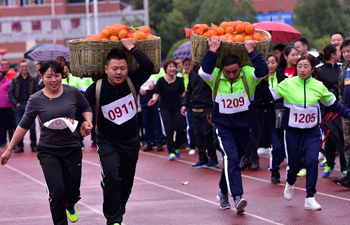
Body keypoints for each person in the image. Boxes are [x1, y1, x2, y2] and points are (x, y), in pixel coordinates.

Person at [1, 60, 93, 225]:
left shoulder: (72, 92)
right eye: (49, 76)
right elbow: (23, 125)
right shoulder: (36, 99)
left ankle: (70, 204)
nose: (54, 80)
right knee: (56, 192)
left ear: (62, 75)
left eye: (57, 75)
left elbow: (86, 108)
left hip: (72, 148)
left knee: (72, 193)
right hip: (48, 150)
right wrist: (9, 149)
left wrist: (87, 122)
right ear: (41, 77)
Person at [262, 55, 350, 210]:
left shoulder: (318, 86)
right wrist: (262, 83)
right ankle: (290, 182)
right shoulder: (288, 83)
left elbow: (334, 105)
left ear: (312, 68)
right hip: (292, 132)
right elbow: (268, 97)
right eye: (300, 66)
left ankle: (310, 197)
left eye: (306, 66)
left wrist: (348, 114)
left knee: (311, 161)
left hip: (312, 132)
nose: (302, 70)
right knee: (294, 165)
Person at [84, 38, 154, 225]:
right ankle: (113, 220)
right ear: (106, 69)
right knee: (112, 176)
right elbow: (82, 106)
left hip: (131, 141)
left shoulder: (132, 81)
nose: (119, 72)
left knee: (126, 183)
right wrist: (86, 122)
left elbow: (148, 65)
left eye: (122, 68)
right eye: (114, 68)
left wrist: (131, 47)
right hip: (107, 141)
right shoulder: (97, 88)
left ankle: (118, 208)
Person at [199, 38, 269, 214]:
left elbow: (263, 70)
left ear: (240, 68)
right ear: (222, 70)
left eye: (234, 71)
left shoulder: (247, 75)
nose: (231, 75)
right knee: (230, 158)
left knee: (234, 161)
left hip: (243, 128)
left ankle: (222, 192)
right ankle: (237, 196)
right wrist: (212, 50)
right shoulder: (215, 76)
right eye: (228, 72)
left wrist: (252, 52)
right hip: (223, 127)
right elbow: (203, 71)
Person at [316, 44, 347, 178]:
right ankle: (329, 163)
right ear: (333, 54)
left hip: (340, 107)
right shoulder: (319, 69)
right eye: (340, 52)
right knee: (330, 138)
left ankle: (345, 168)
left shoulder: (342, 67)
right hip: (326, 110)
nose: (342, 54)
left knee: (343, 139)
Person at [256, 53, 287, 183]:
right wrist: (264, 104)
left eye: (273, 62)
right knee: (276, 145)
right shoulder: (258, 80)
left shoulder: (284, 78)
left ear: (277, 63)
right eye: (267, 62)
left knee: (284, 145)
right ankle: (274, 171)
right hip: (267, 116)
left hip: (282, 114)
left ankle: (278, 164)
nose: (270, 65)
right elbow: (255, 98)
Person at [148, 60, 186, 160]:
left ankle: (177, 146)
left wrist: (189, 91)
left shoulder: (179, 80)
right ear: (165, 69)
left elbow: (183, 93)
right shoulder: (160, 81)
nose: (173, 68)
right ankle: (171, 151)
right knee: (169, 130)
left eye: (174, 67)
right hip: (165, 108)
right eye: (170, 67)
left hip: (177, 107)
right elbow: (156, 93)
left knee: (180, 128)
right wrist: (153, 99)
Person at [181, 67, 218, 168]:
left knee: (208, 134)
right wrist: (185, 104)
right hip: (195, 108)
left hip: (207, 107)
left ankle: (213, 158)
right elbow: (189, 89)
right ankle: (202, 158)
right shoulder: (192, 72)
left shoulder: (209, 70)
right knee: (197, 134)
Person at [8, 60, 39, 152]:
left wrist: (34, 103)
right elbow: (10, 92)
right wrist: (15, 103)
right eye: (22, 66)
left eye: (25, 66)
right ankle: (20, 146)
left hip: (30, 105)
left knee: (32, 127)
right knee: (18, 126)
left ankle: (34, 145)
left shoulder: (33, 78)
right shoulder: (15, 79)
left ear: (28, 68)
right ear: (19, 68)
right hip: (19, 105)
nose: (24, 68)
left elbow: (37, 91)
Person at [334, 40, 350, 189]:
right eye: (344, 52)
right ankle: (349, 176)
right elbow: (340, 88)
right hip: (346, 111)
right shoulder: (344, 67)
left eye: (348, 51)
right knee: (347, 145)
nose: (346, 54)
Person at [139, 73, 164, 152]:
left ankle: (159, 141)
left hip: (154, 99)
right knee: (146, 123)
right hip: (144, 100)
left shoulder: (156, 73)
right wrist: (139, 90)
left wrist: (154, 87)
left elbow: (161, 84)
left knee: (156, 121)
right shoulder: (140, 74)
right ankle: (148, 142)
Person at [178, 58, 196, 155]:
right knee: (190, 127)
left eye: (189, 64)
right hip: (187, 102)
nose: (187, 66)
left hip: (196, 101)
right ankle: (192, 145)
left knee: (200, 127)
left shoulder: (194, 74)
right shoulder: (181, 76)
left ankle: (200, 145)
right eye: (185, 65)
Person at [0, 70, 15, 148]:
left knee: (10, 126)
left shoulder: (8, 82)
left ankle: (12, 142)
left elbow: (12, 92)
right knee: (1, 126)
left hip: (7, 106)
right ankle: (2, 141)